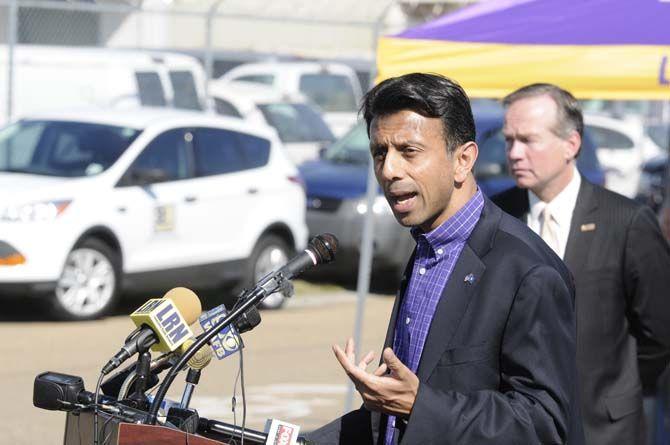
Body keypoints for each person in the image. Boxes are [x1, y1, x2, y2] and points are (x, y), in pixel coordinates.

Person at [307, 73, 584, 444]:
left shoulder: (528, 271)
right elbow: (392, 418)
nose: (389, 170)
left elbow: (544, 424)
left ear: (463, 160)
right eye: (379, 152)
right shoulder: (426, 247)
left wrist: (419, 405)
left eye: (409, 151)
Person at [493, 83, 670, 444]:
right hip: (517, 427)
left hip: (604, 428)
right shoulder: (495, 216)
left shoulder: (626, 221)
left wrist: (617, 387)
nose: (515, 152)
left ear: (571, 144)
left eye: (528, 140)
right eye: (509, 140)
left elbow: (660, 332)